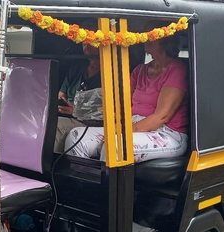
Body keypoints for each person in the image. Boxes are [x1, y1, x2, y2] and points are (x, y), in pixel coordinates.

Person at [64, 27, 189, 163]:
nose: (146, 35)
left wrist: (123, 131)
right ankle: (84, 183)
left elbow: (161, 117)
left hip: (165, 134)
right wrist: (86, 111)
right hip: (132, 125)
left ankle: (107, 184)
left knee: (116, 145)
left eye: (153, 33)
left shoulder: (177, 70)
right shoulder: (139, 70)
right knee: (75, 137)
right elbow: (121, 104)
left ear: (167, 39)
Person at [54, 20, 102, 153]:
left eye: (89, 39)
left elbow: (106, 112)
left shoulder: (111, 73)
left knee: (54, 127)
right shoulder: (76, 69)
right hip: (65, 116)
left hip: (88, 124)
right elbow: (61, 94)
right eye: (83, 40)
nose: (85, 44)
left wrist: (77, 111)